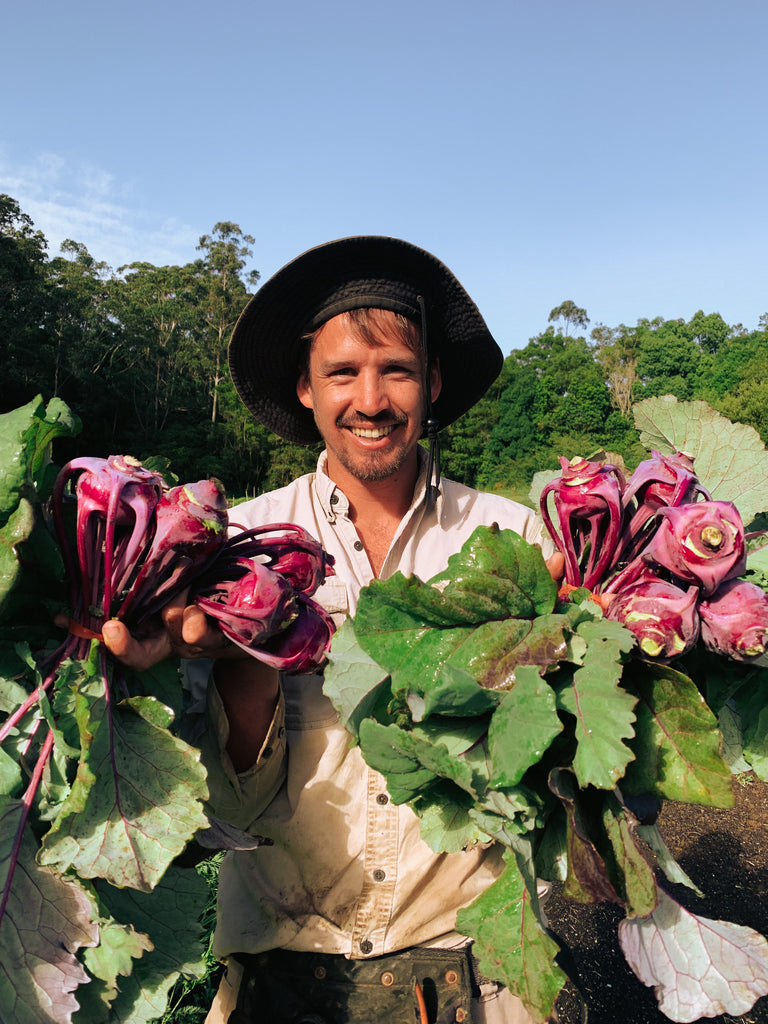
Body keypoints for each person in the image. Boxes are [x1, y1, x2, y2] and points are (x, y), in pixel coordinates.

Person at [103, 236, 564, 1024]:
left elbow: (550, 773)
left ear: (434, 384)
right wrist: (243, 653)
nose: (373, 399)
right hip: (280, 972)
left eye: (398, 371)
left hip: (472, 979)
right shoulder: (233, 546)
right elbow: (230, 816)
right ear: (307, 391)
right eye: (343, 372)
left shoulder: (519, 543)